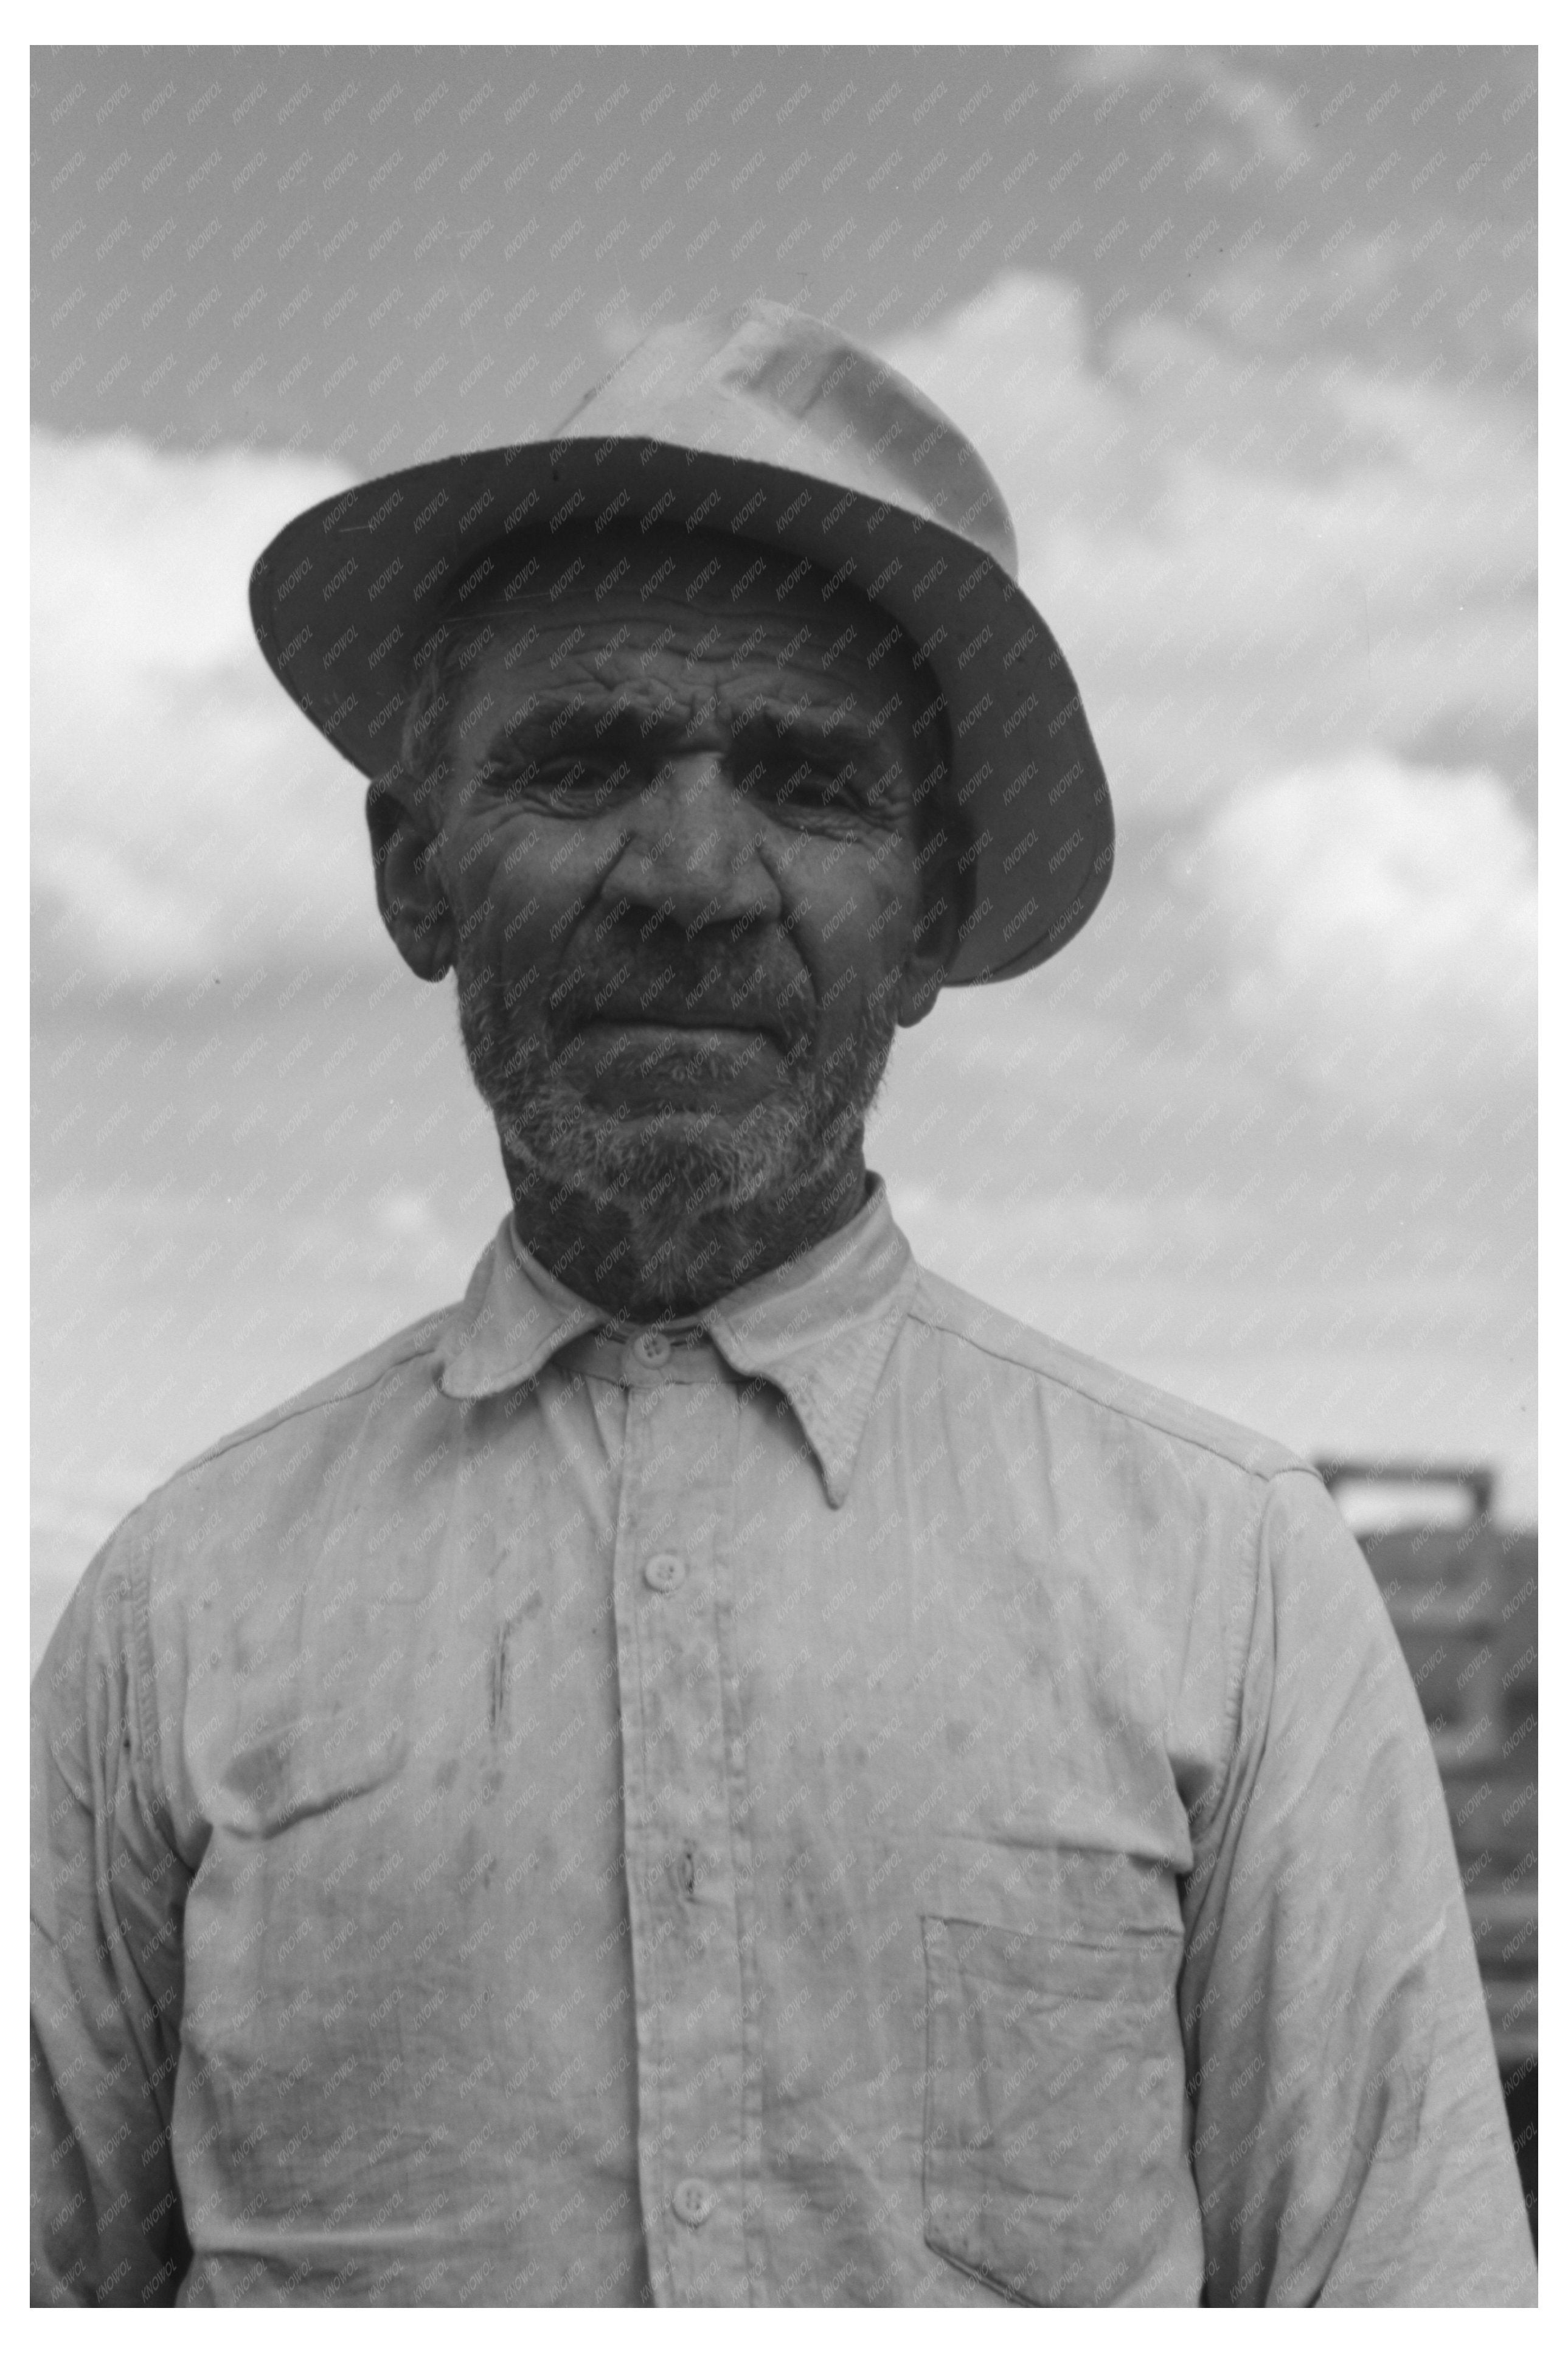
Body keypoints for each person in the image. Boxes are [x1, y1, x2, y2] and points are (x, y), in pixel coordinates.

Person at [31, 300, 1535, 2308]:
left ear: (925, 913)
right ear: (413, 870)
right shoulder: (179, 1606)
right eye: (584, 763)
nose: (691, 872)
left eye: (809, 786)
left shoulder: (1226, 1577)